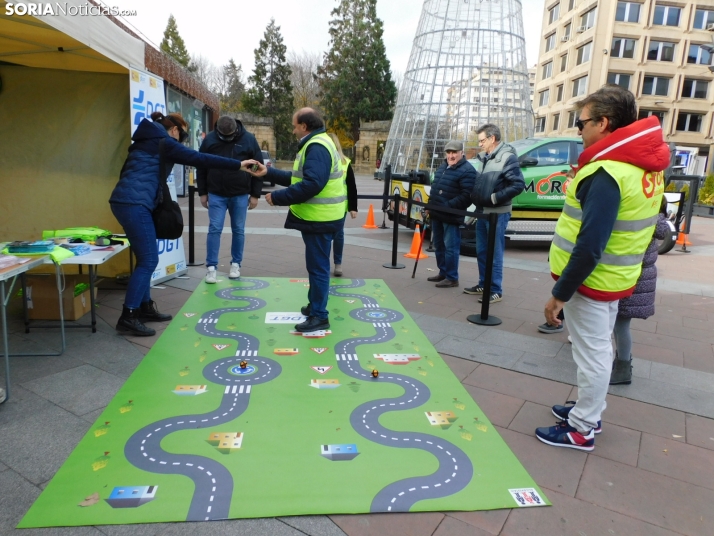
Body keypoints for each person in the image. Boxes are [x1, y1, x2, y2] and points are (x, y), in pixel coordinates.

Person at [536, 85, 669, 451]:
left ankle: (582, 428)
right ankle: (586, 410)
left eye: (582, 123)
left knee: (592, 355)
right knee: (596, 350)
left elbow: (590, 245)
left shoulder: (607, 172)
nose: (579, 131)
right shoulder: (644, 167)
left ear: (604, 123)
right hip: (616, 277)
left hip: (591, 282)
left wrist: (559, 294)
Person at [109, 112, 251, 337]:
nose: (181, 139)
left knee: (145, 258)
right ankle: (129, 315)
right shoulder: (164, 142)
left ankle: (144, 307)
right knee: (149, 260)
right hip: (135, 204)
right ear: (174, 130)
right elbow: (200, 159)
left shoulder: (142, 142)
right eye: (181, 134)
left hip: (127, 201)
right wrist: (238, 165)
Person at [243, 108, 345, 333]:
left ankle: (320, 316)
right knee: (315, 266)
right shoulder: (319, 142)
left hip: (320, 219)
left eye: (294, 125)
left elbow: (312, 184)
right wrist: (267, 172)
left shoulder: (316, 147)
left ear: (304, 127)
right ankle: (315, 306)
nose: (292, 130)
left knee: (318, 268)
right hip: (323, 218)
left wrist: (279, 197)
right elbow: (297, 177)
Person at [610, 197, 669, 385]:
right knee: (619, 323)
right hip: (640, 279)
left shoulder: (645, 220)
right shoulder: (655, 223)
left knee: (620, 324)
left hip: (634, 278)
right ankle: (621, 363)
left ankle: (623, 367)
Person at [197, 116, 263, 283]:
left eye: (230, 136)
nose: (226, 139)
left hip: (240, 193)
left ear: (236, 130)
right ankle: (211, 267)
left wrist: (255, 194)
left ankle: (236, 264)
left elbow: (258, 167)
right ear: (217, 130)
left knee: (238, 230)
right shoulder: (210, 140)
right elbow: (201, 166)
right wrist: (202, 192)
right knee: (214, 229)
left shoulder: (248, 139)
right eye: (223, 136)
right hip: (216, 192)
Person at [464, 124, 525, 303]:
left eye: (482, 140)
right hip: (483, 211)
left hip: (497, 213)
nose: (480, 144)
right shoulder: (485, 158)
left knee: (494, 252)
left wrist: (494, 198)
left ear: (492, 139)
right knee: (482, 250)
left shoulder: (508, 157)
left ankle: (495, 289)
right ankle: (484, 283)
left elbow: (518, 185)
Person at [426, 140, 477, 288]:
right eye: (449, 152)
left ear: (462, 153)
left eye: (454, 152)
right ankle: (443, 272)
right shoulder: (443, 166)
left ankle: (452, 277)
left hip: (451, 215)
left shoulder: (467, 170)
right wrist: (430, 205)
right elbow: (435, 188)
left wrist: (447, 207)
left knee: (451, 247)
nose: (451, 155)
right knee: (439, 245)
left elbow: (466, 196)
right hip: (437, 213)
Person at [327, 133, 358, 277]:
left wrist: (353, 207)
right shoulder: (321, 161)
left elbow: (351, 186)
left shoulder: (345, 162)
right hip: (323, 205)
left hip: (340, 205)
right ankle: (324, 263)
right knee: (325, 235)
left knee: (338, 234)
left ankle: (337, 263)